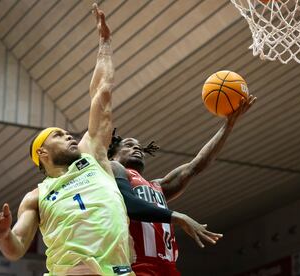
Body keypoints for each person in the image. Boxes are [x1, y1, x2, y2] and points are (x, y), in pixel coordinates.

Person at [0, 4, 134, 275]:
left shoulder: (94, 156)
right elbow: (16, 247)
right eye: (58, 134)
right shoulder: (36, 197)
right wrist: (4, 235)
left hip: (118, 271)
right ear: (42, 153)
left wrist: (105, 44)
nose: (68, 135)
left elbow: (102, 92)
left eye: (67, 133)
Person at [108, 95, 256, 275]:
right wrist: (177, 216)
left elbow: (196, 165)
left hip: (168, 268)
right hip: (138, 266)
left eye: (139, 146)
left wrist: (228, 125)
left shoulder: (156, 186)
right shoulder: (113, 170)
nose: (137, 148)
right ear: (112, 156)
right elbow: (130, 204)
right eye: (129, 145)